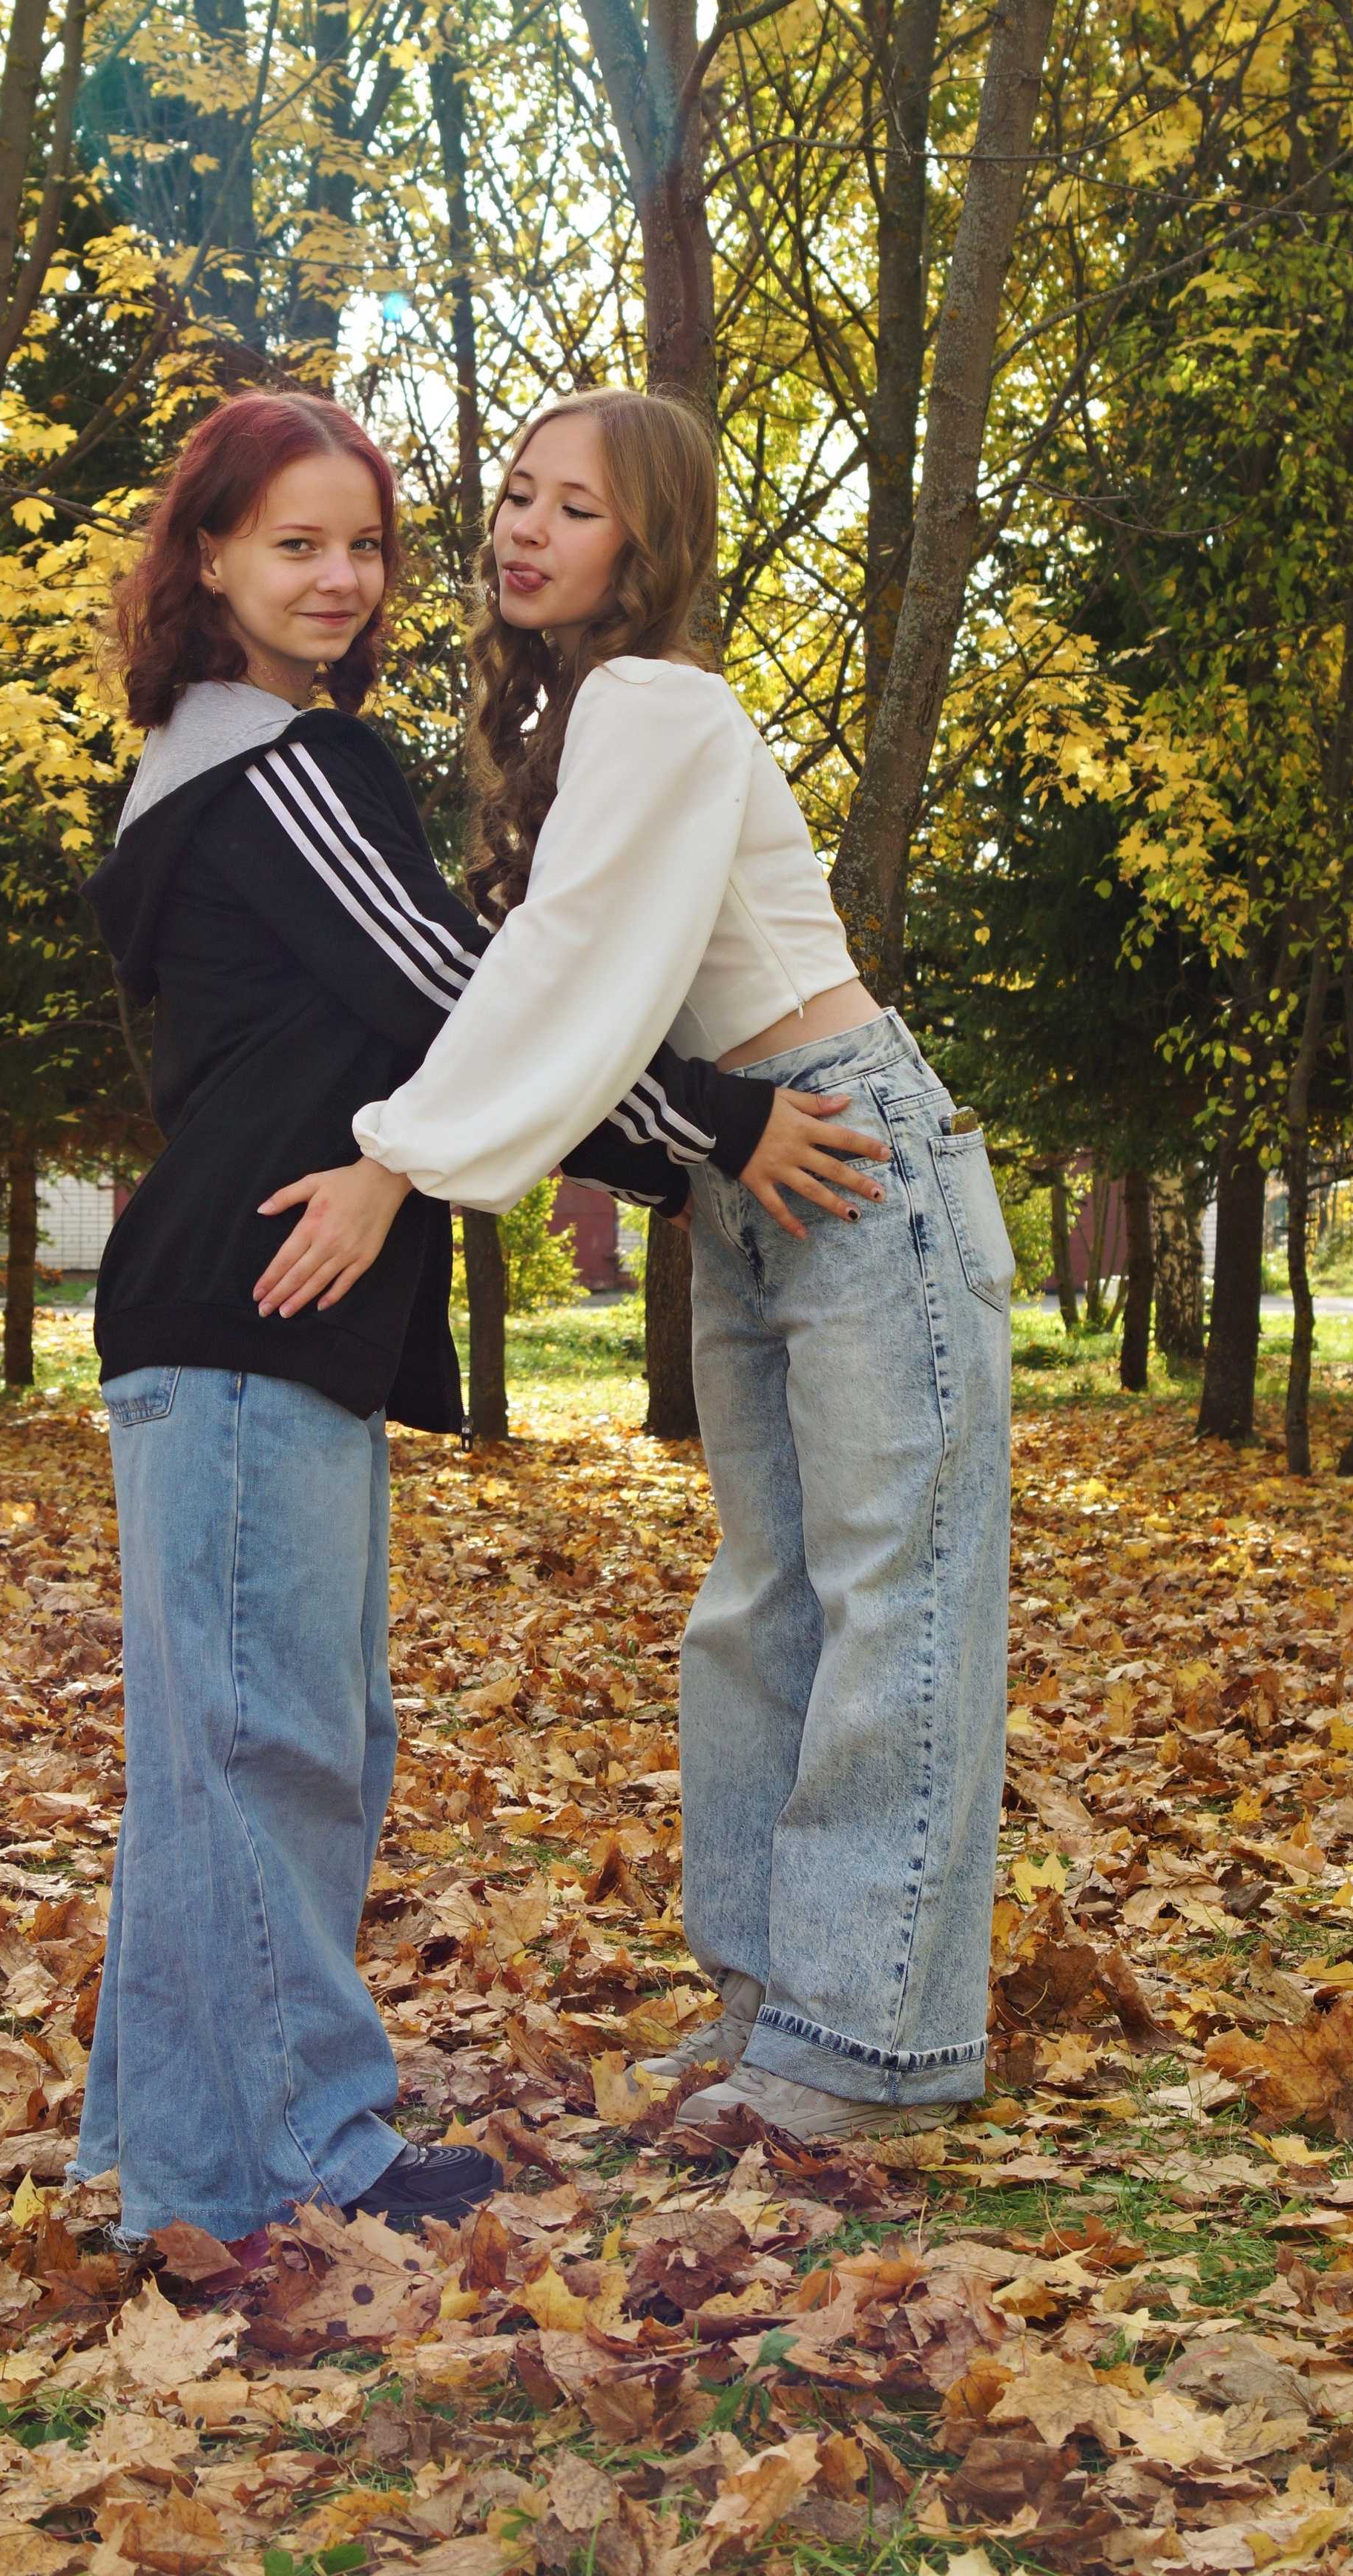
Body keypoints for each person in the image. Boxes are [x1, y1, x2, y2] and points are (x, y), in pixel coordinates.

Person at [70, 389, 871, 2242]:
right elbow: (464, 995)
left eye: (363, 544)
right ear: (208, 559)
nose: (341, 578)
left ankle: (170, 2160)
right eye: (294, 543)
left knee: (227, 1749)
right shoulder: (290, 773)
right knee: (275, 1742)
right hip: (257, 1301)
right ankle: (289, 2169)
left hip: (224, 1307)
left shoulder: (200, 768)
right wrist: (720, 1125)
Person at [253, 387, 1013, 2145]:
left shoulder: (658, 700)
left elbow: (567, 970)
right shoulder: (591, 718)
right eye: (513, 494)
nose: (520, 528)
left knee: (889, 1601)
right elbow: (552, 974)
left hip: (851, 1148)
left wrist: (398, 1157)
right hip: (754, 1171)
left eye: (571, 507)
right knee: (763, 1608)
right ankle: (774, 2011)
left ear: (644, 544)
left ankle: (869, 2055)